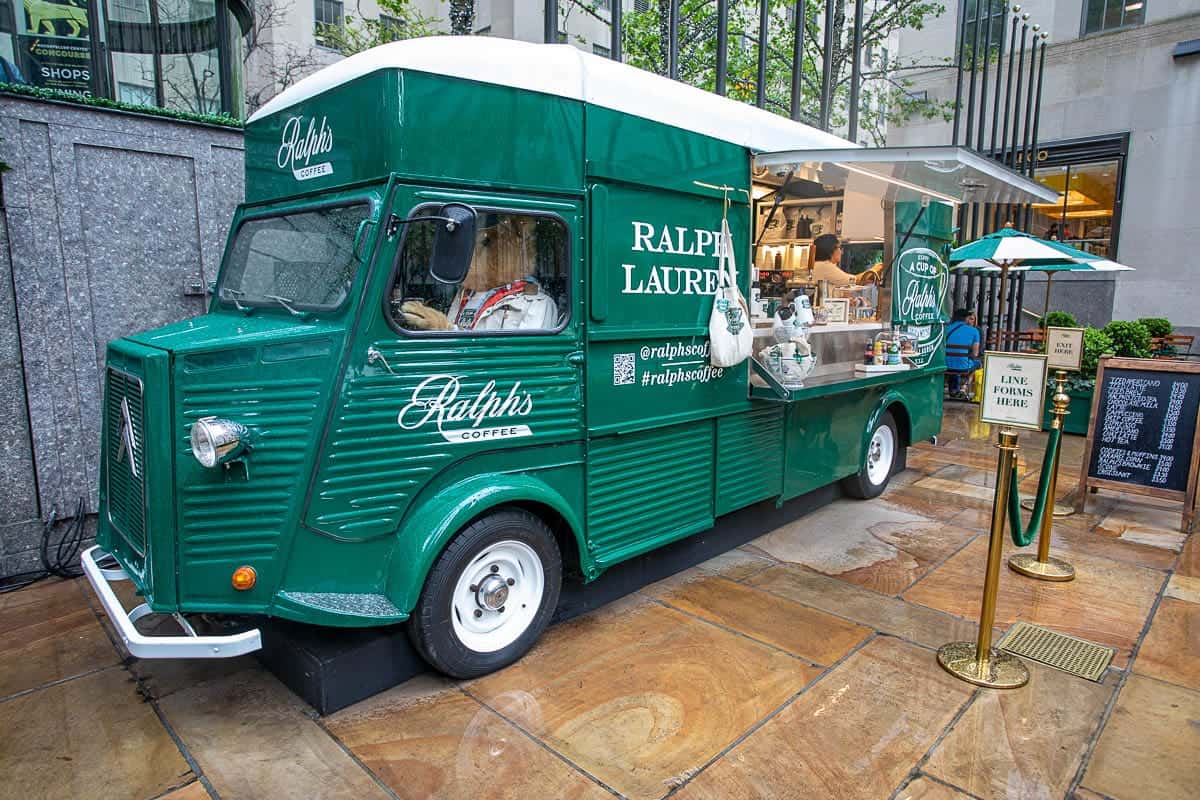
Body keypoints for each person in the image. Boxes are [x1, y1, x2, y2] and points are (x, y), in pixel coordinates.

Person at [946, 308, 982, 400]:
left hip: (945, 365)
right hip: (963, 367)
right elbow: (975, 353)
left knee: (954, 363)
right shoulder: (974, 331)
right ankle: (964, 387)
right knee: (978, 363)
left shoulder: (946, 328)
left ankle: (953, 390)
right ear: (966, 318)